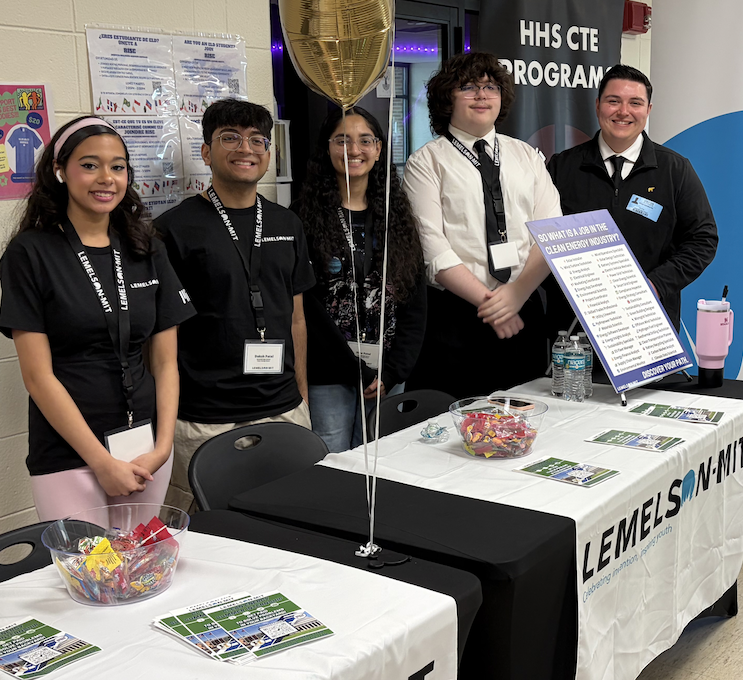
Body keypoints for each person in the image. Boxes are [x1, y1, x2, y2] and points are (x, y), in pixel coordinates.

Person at [0, 116, 195, 521]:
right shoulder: (30, 254)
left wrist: (163, 445)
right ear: (60, 170)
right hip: (70, 454)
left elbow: (164, 362)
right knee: (92, 579)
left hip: (144, 447)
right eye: (89, 165)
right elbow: (38, 377)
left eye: (118, 166)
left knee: (142, 574)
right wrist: (101, 462)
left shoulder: (146, 247)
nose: (106, 178)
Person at [155, 99, 315, 512]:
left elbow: (296, 317)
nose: (246, 148)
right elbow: (160, 334)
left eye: (257, 139)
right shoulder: (173, 229)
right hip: (203, 418)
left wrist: (300, 394)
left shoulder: (286, 223)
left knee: (294, 519)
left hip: (283, 410)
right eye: (230, 137)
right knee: (206, 536)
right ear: (206, 152)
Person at [402, 52, 562, 399]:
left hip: (524, 309)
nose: (482, 95)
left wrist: (516, 294)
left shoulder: (526, 156)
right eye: (468, 87)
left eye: (490, 87)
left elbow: (552, 234)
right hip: (456, 319)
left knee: (526, 419)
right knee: (459, 427)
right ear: (448, 98)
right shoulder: (427, 162)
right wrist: (492, 304)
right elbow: (431, 246)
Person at [294, 107, 426, 452]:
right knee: (331, 462)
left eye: (365, 140)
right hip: (328, 374)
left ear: (379, 149)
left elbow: (415, 304)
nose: (354, 150)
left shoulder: (397, 217)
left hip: (386, 375)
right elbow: (306, 308)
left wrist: (394, 371)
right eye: (342, 140)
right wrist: (355, 368)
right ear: (326, 148)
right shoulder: (302, 220)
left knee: (384, 458)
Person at [547, 64, 718, 330]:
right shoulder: (561, 167)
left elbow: (703, 239)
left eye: (635, 103)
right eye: (613, 101)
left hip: (647, 323)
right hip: (574, 328)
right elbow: (539, 239)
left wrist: (655, 285)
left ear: (648, 110)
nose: (623, 111)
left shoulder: (675, 170)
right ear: (597, 105)